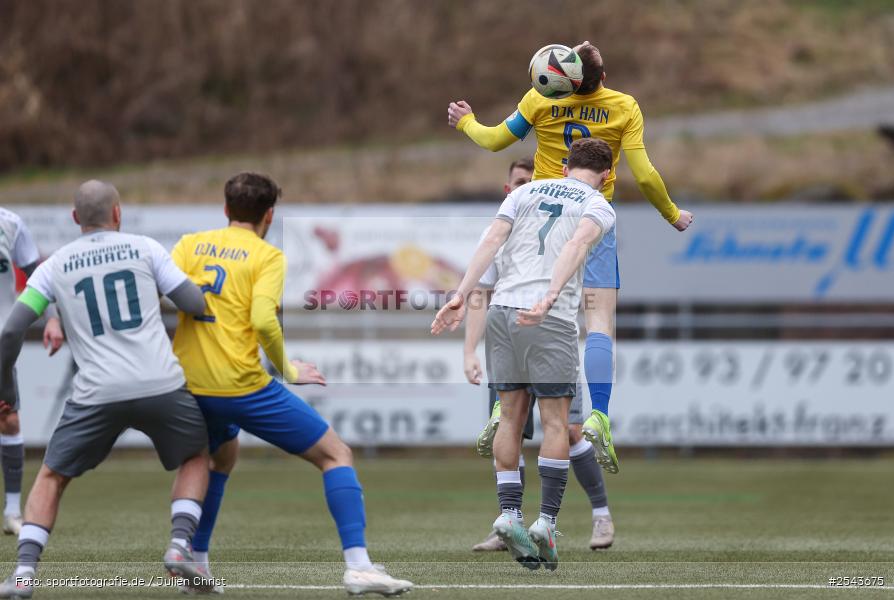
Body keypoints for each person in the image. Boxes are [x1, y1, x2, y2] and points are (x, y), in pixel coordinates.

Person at [448, 41, 694, 473]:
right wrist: (672, 214)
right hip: (590, 221)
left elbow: (493, 141)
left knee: (519, 312)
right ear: (604, 76)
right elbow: (646, 173)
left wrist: (466, 121)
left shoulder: (540, 97)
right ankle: (598, 413)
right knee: (598, 324)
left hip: (537, 220)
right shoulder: (622, 106)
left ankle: (500, 409)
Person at [170, 172, 413, 596]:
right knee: (336, 454)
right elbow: (263, 319)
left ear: (225, 209)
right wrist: (288, 368)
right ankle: (359, 567)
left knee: (221, 457)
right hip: (242, 385)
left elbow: (165, 292)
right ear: (269, 215)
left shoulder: (189, 245)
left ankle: (198, 563)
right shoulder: (267, 256)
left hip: (191, 384)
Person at [0, 181, 212, 598]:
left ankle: (23, 575)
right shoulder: (145, 248)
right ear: (118, 213)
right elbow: (193, 303)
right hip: (160, 383)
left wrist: (6, 384)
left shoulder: (54, 266)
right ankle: (179, 544)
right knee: (197, 455)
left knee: (52, 476)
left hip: (96, 393)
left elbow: (10, 331)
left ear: (75, 218)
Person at [433, 138, 616, 570]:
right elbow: (575, 247)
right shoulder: (598, 205)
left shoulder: (522, 192)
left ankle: (509, 512)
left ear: (565, 165)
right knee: (556, 421)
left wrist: (459, 294)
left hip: (500, 312)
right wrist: (551, 295)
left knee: (509, 416)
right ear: (608, 175)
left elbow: (493, 238)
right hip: (545, 317)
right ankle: (546, 523)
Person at [0, 208, 65, 536]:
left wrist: (52, 316)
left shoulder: (10, 222)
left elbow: (36, 273)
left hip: (0, 341)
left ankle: (12, 510)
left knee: (8, 419)